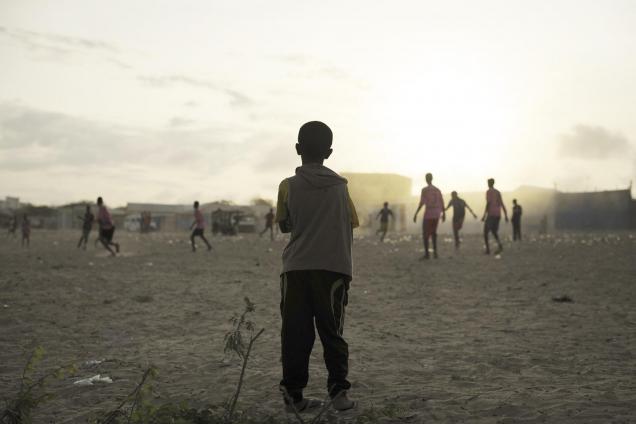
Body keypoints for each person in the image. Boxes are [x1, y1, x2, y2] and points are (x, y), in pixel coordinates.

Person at [275, 121, 358, 413]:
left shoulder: (287, 186)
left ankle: (293, 397)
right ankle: (339, 393)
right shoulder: (341, 188)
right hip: (333, 268)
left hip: (296, 269)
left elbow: (286, 224)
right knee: (332, 332)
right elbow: (351, 223)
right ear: (330, 152)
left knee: (295, 334)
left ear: (298, 149)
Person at [413, 173, 445, 259]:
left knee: (425, 234)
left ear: (426, 179)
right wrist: (444, 213)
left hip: (429, 214)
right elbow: (442, 201)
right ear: (432, 178)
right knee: (434, 233)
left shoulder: (425, 190)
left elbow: (422, 202)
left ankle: (427, 254)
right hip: (437, 213)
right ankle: (435, 253)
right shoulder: (437, 190)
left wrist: (416, 213)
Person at [481, 178, 508, 254]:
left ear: (489, 183)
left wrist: (484, 215)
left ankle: (488, 250)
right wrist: (505, 215)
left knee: (486, 232)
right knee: (494, 231)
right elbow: (502, 203)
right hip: (498, 214)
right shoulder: (497, 192)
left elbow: (488, 203)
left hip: (491, 214)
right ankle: (500, 245)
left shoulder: (489, 192)